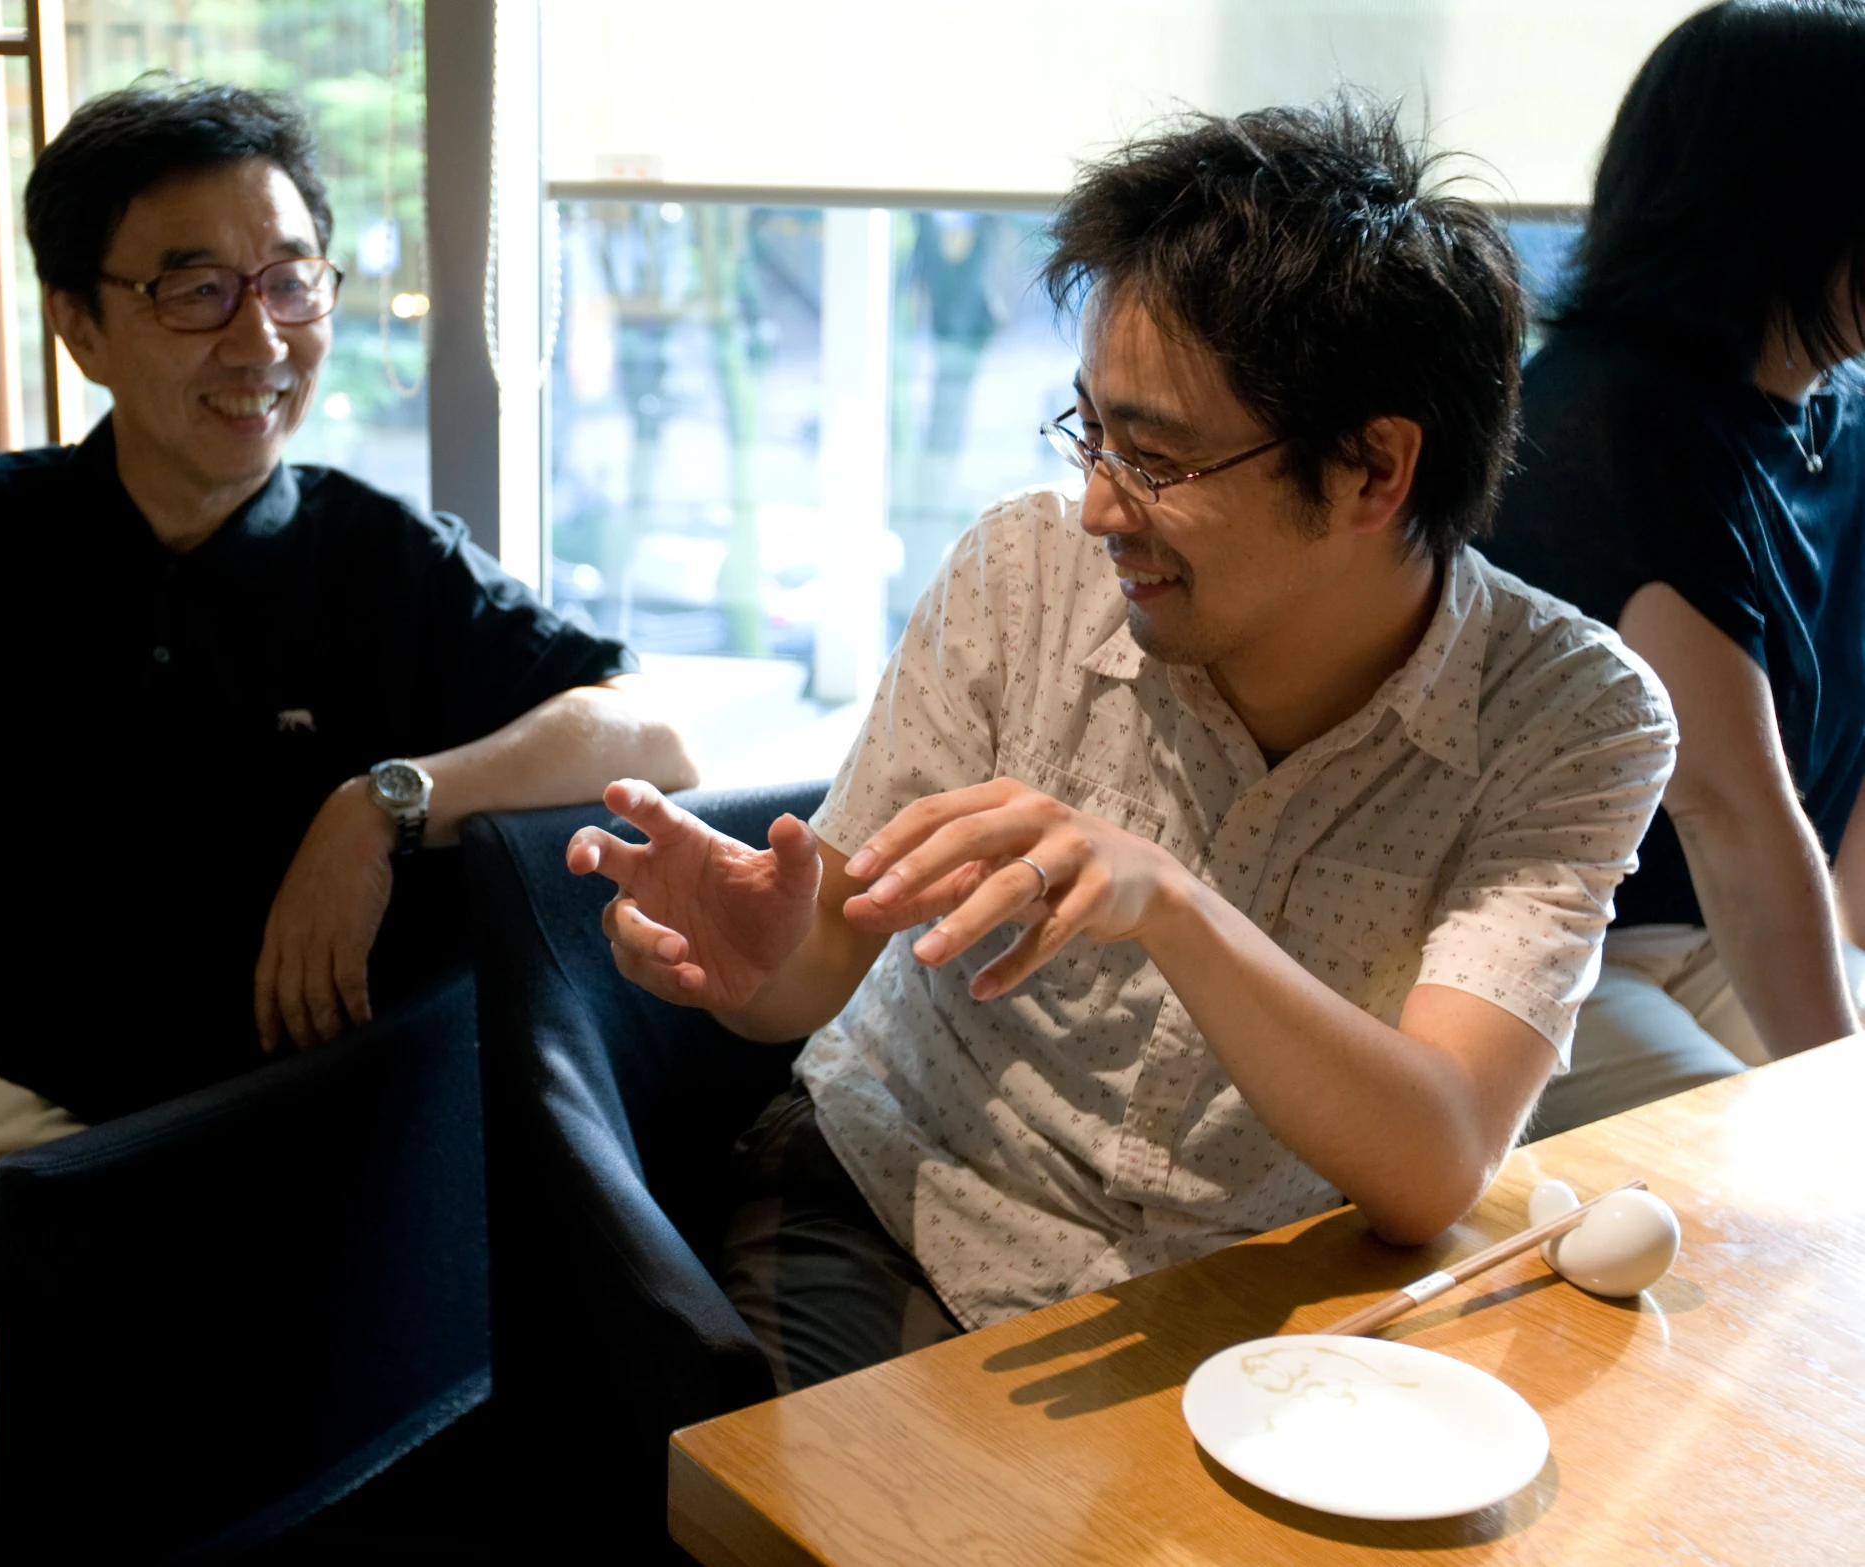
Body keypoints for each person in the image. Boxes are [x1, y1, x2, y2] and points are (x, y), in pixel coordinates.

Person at [0, 83, 695, 1564]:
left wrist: (381, 798)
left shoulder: (378, 568)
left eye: (291, 277)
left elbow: (652, 728)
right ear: (81, 324)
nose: (258, 337)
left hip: (101, 1132)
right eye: (195, 289)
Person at [570, 99, 1676, 1390]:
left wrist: (1173, 904)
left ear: (1373, 471)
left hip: (1256, 1286)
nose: (1097, 503)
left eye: (1152, 455)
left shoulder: (1568, 716)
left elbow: (1431, 1162)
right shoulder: (1019, 574)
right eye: (1088, 429)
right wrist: (759, 956)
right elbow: (820, 967)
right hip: (899, 1203)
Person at [1486, 0, 1865, 1137]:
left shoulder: (1834, 416)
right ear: (1788, 202)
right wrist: (1839, 1111)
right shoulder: (1609, 419)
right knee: (1760, 1179)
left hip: (1723, 937)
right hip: (1548, 953)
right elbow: (1726, 809)